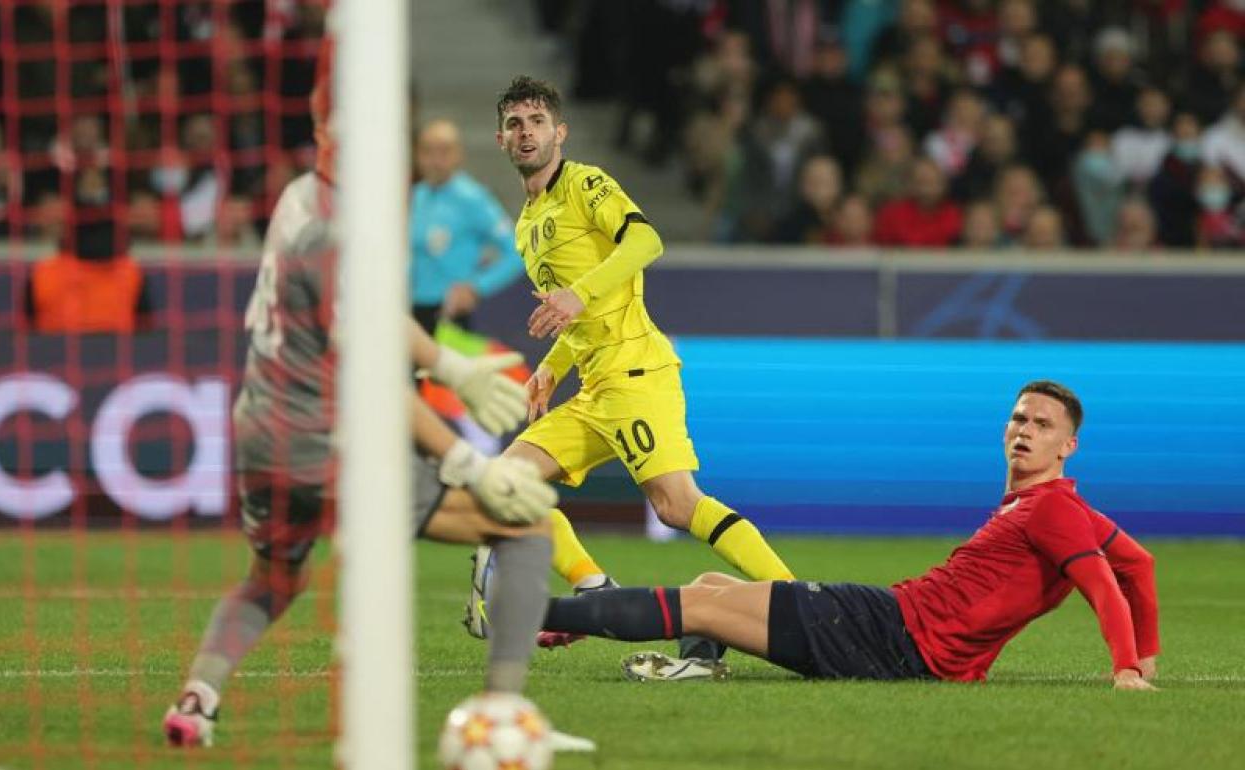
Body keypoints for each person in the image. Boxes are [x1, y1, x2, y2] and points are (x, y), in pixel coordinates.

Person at [163, 44, 594, 754]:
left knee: (273, 577)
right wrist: (469, 462)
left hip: (259, 433)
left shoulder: (302, 198)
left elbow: (364, 316)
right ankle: (503, 721)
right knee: (528, 526)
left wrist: (448, 366)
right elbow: (374, 382)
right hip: (324, 441)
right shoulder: (343, 229)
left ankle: (195, 699)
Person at [536, 381, 1160, 690]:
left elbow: (1106, 582)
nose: (1024, 429)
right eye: (1019, 417)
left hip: (890, 636)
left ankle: (536, 610)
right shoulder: (1050, 506)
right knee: (710, 584)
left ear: (1067, 446)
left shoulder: (1050, 510)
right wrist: (1149, 654)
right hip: (893, 630)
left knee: (698, 601)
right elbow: (1140, 565)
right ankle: (696, 668)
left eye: (1043, 424)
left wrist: (1128, 668)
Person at [472, 76, 795, 654]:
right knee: (503, 484)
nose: (527, 133)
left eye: (538, 122)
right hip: (595, 387)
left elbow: (646, 242)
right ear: (501, 139)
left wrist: (576, 293)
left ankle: (799, 601)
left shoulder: (584, 184)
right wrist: (551, 366)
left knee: (677, 505)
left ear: (559, 132)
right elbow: (581, 316)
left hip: (636, 373)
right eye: (516, 124)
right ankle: (594, 590)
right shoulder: (525, 225)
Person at [409, 119, 525, 333]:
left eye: (444, 151)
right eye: (427, 151)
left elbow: (519, 251)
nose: (435, 160)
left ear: (458, 154)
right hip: (411, 311)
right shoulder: (416, 196)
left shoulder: (472, 198)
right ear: (417, 154)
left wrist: (476, 287)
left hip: (450, 314)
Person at [24, 201, 154, 333]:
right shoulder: (130, 272)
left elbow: (26, 331)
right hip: (114, 351)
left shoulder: (43, 272)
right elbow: (145, 334)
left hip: (50, 351)